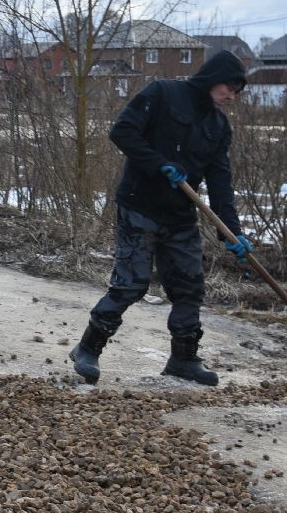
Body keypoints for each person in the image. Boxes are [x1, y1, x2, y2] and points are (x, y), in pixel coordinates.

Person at [70, 50, 252, 387]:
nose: (232, 97)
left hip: (180, 216)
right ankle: (87, 349)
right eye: (230, 88)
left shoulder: (218, 126)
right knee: (131, 284)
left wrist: (232, 233)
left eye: (237, 92)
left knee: (189, 288)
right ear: (214, 79)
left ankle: (183, 359)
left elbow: (220, 182)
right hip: (140, 204)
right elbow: (122, 132)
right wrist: (158, 163)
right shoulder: (163, 93)